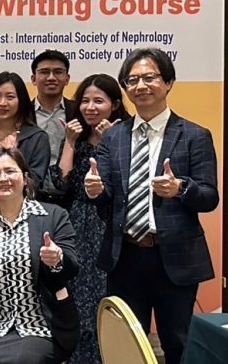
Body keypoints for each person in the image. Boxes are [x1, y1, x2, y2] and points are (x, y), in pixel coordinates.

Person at [84, 48, 219, 364]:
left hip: (174, 257)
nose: (140, 86)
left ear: (168, 82)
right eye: (132, 80)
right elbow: (106, 198)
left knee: (178, 343)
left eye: (149, 77)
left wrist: (180, 188)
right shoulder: (114, 137)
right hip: (125, 257)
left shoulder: (195, 135)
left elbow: (209, 196)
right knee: (126, 344)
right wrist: (96, 191)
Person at [0, 146, 80, 364]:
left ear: (25, 178)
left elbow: (72, 266)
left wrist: (58, 259)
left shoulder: (53, 215)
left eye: (10, 171)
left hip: (42, 324)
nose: (3, 178)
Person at [50, 74, 130, 364]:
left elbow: (125, 185)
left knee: (105, 295)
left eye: (99, 101)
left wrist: (111, 142)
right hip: (76, 223)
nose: (90, 107)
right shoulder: (77, 136)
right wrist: (70, 143)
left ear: (115, 104)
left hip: (108, 223)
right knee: (73, 294)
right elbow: (61, 183)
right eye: (85, 101)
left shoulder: (126, 135)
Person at [0, 71, 50, 204]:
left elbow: (35, 184)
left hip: (22, 209)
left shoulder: (37, 138)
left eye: (10, 97)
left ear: (21, 101)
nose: (2, 103)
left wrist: (14, 156)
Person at [31, 50, 78, 208]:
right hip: (33, 197)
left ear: (67, 79)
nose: (51, 77)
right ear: (33, 79)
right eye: (44, 72)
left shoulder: (79, 112)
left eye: (58, 72)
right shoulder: (22, 113)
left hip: (71, 198)